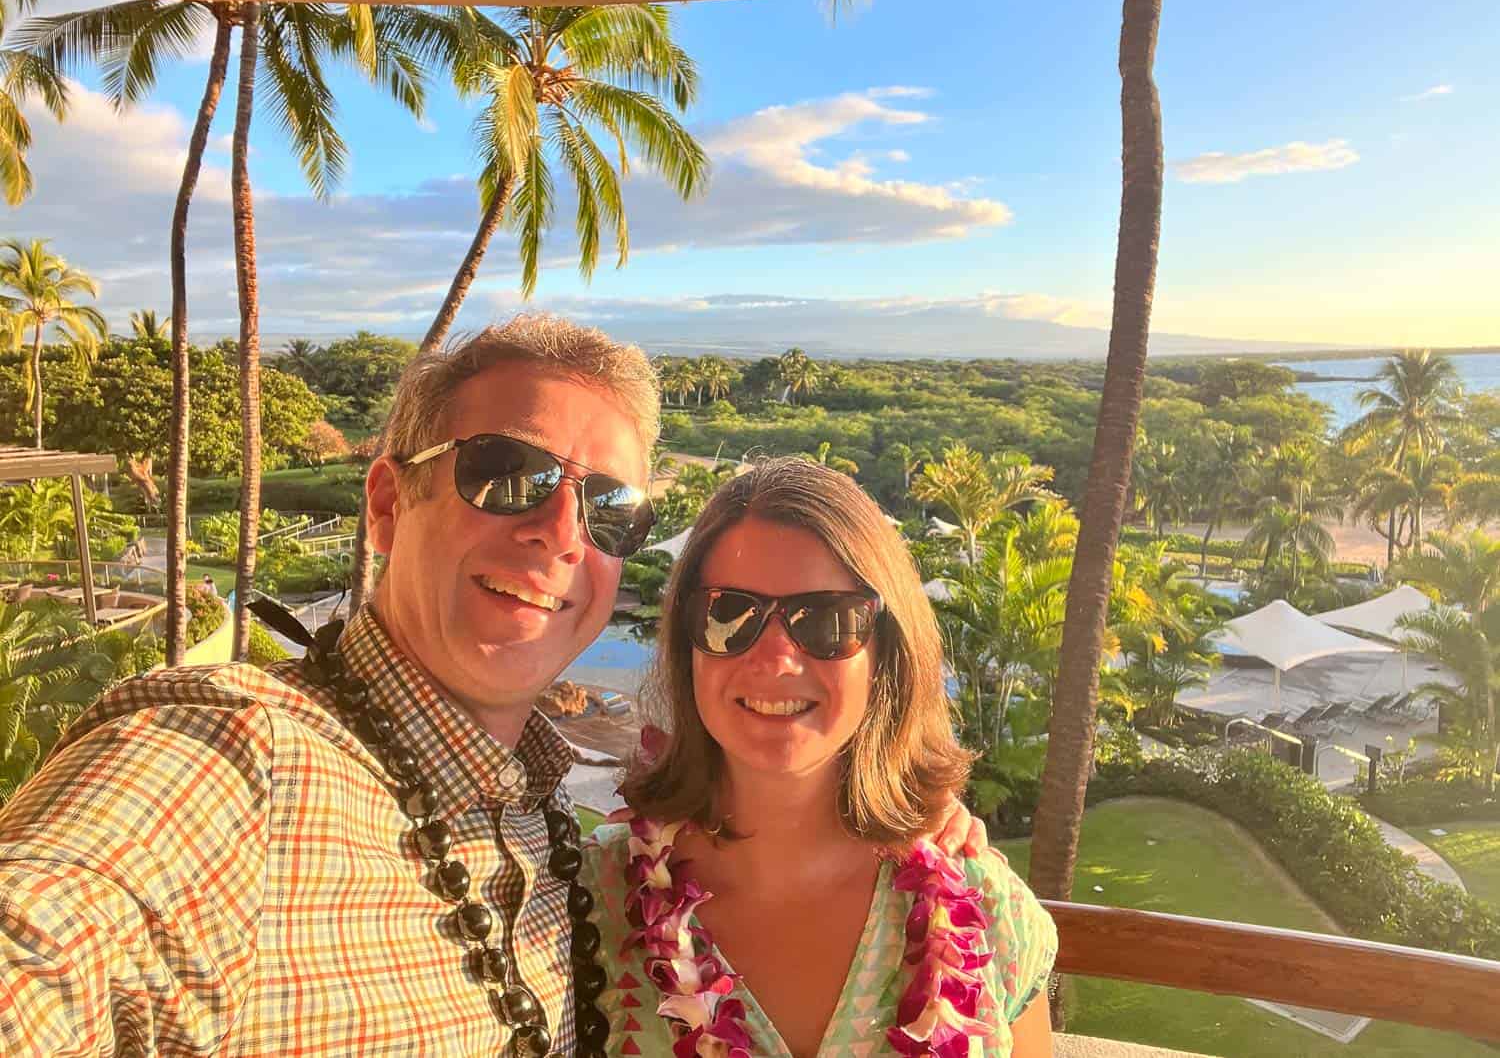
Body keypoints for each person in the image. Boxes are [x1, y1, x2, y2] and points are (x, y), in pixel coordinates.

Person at [0, 315, 983, 1057]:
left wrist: (884, 813)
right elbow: (50, 931)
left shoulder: (576, 854)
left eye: (609, 510)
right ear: (388, 505)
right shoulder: (233, 762)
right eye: (506, 474)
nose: (560, 532)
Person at [583, 457, 1057, 1056]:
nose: (777, 658)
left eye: (829, 620)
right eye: (730, 614)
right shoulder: (590, 900)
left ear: (885, 652)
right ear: (688, 640)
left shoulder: (987, 911)